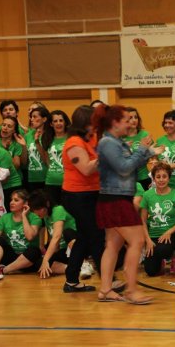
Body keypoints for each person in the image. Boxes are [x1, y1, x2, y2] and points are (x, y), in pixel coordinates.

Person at [94, 104, 163, 304]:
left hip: (115, 197)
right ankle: (132, 290)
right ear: (115, 123)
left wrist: (148, 152)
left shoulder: (118, 142)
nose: (130, 122)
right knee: (138, 241)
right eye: (126, 119)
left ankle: (106, 289)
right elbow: (124, 169)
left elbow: (129, 167)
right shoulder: (108, 143)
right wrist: (142, 149)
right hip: (115, 199)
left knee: (113, 245)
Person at [61, 105, 103, 293]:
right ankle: (109, 280)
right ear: (84, 123)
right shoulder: (74, 143)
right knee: (95, 236)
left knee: (85, 237)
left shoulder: (91, 138)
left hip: (91, 193)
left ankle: (71, 280)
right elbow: (86, 168)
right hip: (76, 196)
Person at [0, 190, 41, 283]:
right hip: (11, 257)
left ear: (26, 203)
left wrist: (24, 216)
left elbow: (30, 237)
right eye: (11, 200)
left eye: (16, 200)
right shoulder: (5, 218)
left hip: (26, 260)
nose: (12, 202)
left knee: (35, 251)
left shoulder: (34, 218)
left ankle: (3, 270)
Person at [140, 162, 175, 276]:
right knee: (150, 271)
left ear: (169, 178)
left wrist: (168, 232)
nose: (161, 180)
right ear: (154, 179)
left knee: (164, 250)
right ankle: (160, 261)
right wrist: (148, 240)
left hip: (172, 233)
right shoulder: (147, 195)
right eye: (158, 177)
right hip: (154, 236)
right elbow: (143, 221)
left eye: (164, 176)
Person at [28, 189, 77, 279]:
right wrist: (46, 261)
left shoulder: (58, 210)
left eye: (38, 209)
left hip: (76, 245)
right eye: (34, 210)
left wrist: (46, 259)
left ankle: (83, 262)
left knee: (68, 233)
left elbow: (57, 237)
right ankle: (77, 269)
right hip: (64, 250)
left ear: (47, 204)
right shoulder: (46, 217)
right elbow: (54, 243)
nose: (36, 212)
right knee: (41, 264)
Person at [44, 110, 70, 205]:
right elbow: (47, 160)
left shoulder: (70, 138)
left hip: (67, 182)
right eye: (55, 121)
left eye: (61, 120)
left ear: (65, 122)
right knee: (53, 212)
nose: (58, 123)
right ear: (51, 124)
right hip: (51, 182)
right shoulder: (48, 138)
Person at [123, 107, 152, 189]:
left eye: (136, 117)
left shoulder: (144, 135)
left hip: (143, 177)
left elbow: (153, 158)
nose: (134, 120)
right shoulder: (120, 137)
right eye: (130, 118)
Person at [25, 107, 52, 192]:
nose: (32, 119)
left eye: (35, 116)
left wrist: (37, 142)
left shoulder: (50, 135)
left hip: (47, 177)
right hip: (32, 178)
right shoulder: (28, 135)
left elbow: (47, 160)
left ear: (44, 119)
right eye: (31, 117)